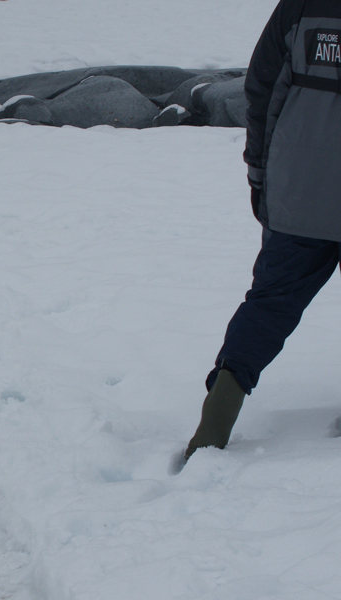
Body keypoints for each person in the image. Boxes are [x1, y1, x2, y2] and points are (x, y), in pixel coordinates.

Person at [183, 0, 341, 462]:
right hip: (298, 191)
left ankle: (212, 430)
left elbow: (263, 88)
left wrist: (260, 170)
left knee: (271, 302)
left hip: (300, 190)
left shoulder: (303, 6)